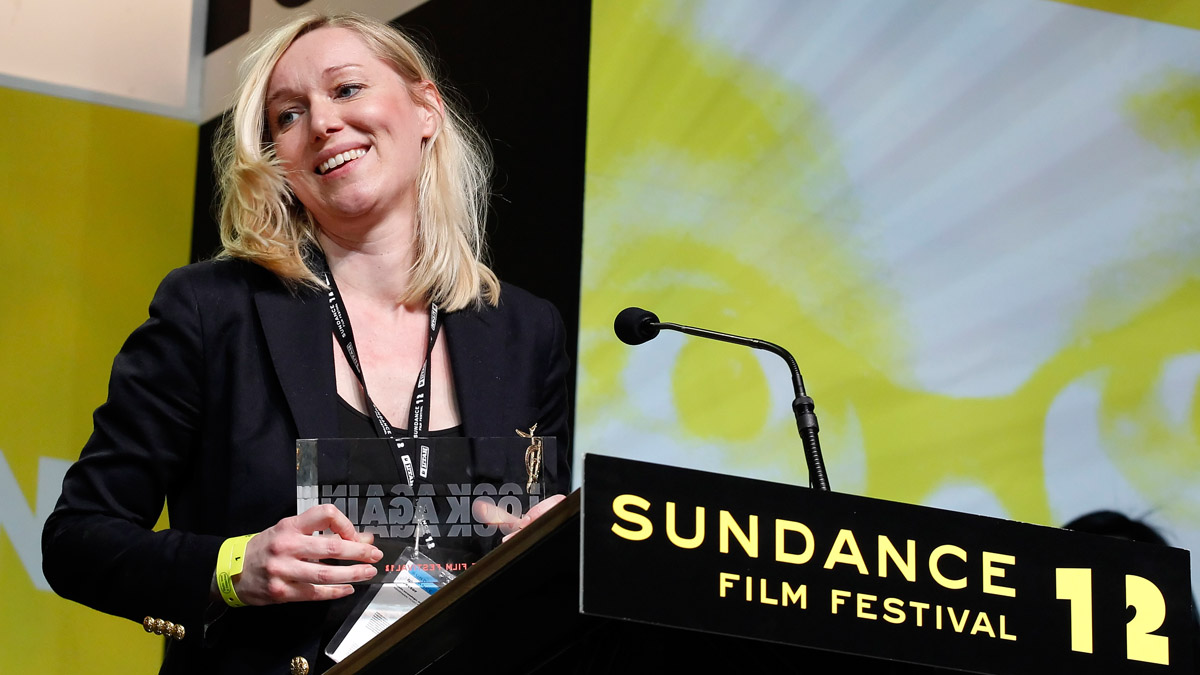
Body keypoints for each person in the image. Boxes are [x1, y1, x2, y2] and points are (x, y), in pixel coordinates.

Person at [41, 12, 570, 675]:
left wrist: (554, 548)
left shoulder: (524, 331)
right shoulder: (213, 311)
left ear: (425, 108)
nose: (321, 123)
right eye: (288, 115)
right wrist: (234, 566)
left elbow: (526, 561)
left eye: (346, 89)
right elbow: (77, 539)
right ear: (278, 161)